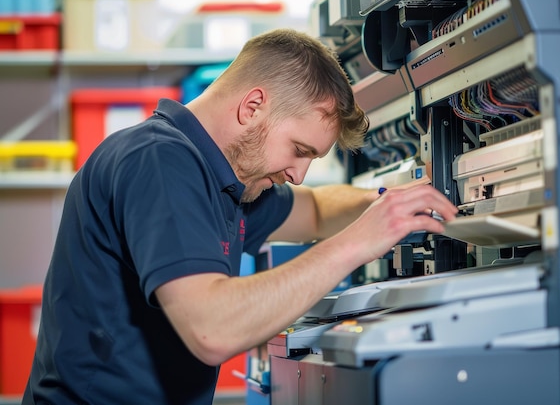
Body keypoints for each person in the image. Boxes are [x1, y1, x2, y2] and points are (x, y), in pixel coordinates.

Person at [22, 28, 457, 404]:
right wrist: (359, 242)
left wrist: (391, 203)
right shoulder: (159, 162)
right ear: (252, 107)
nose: (299, 175)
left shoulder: (230, 180)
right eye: (300, 150)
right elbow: (213, 329)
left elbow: (318, 210)